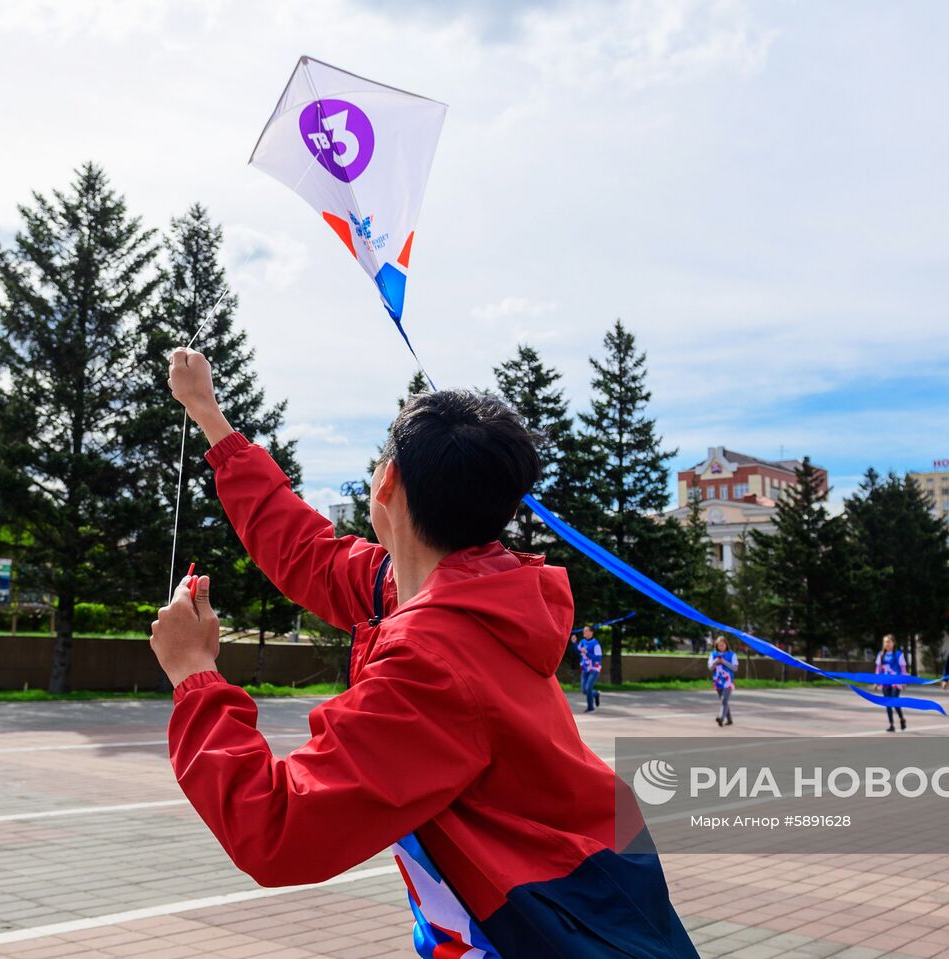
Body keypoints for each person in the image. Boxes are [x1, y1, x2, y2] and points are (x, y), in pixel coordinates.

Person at [152, 349, 697, 959]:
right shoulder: (441, 587)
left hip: (551, 928)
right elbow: (300, 547)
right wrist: (207, 414)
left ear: (386, 484)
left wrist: (194, 674)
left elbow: (278, 830)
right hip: (558, 902)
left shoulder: (432, 660)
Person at [875, 634, 907, 732]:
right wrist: (876, 682)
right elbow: (878, 669)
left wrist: (904, 681)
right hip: (885, 682)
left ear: (893, 643)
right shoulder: (881, 655)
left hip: (896, 682)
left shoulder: (898, 654)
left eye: (889, 641)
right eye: (885, 642)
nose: (887, 644)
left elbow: (903, 669)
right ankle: (891, 725)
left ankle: (901, 719)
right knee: (888, 704)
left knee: (894, 701)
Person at [708, 636, 737, 727]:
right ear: (716, 646)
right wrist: (716, 661)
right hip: (718, 681)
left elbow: (735, 668)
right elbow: (710, 668)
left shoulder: (732, 654)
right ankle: (730, 720)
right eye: (719, 645)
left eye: (723, 645)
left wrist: (724, 662)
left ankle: (721, 717)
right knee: (723, 701)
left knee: (724, 700)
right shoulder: (713, 654)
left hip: (728, 681)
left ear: (726, 645)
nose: (721, 647)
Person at [577, 624, 602, 712]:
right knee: (584, 690)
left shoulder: (596, 644)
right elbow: (577, 650)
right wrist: (573, 643)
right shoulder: (582, 641)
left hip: (594, 669)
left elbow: (598, 658)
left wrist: (587, 653)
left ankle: (590, 708)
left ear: (591, 632)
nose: (584, 632)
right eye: (584, 630)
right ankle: (595, 694)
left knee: (588, 688)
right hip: (585, 668)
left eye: (586, 630)